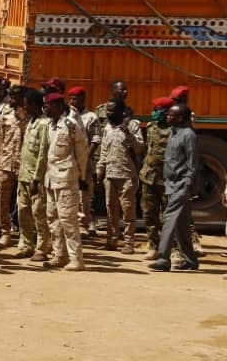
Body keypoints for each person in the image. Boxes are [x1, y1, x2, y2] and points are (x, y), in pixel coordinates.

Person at [149, 104, 201, 272]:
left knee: (169, 219)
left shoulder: (188, 135)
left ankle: (163, 258)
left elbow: (193, 163)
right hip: (171, 185)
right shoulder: (174, 131)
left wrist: (187, 184)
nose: (167, 117)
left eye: (171, 115)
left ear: (180, 118)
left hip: (181, 185)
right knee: (182, 224)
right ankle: (190, 260)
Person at [43, 92, 89, 271]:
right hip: (51, 178)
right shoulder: (50, 125)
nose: (45, 108)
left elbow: (82, 152)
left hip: (66, 178)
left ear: (57, 106)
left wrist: (82, 176)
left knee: (68, 219)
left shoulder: (70, 125)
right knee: (53, 218)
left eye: (48, 105)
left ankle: (76, 259)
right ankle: (60, 255)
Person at [95, 97, 145, 253]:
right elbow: (104, 152)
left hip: (126, 175)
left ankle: (129, 243)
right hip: (110, 175)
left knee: (128, 211)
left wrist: (127, 133)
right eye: (107, 110)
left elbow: (139, 148)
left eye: (112, 110)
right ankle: (112, 240)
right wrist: (100, 171)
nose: (108, 113)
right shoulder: (107, 128)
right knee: (111, 210)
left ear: (121, 112)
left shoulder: (132, 126)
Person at [16, 89, 51, 260]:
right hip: (24, 175)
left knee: (39, 213)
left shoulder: (44, 124)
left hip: (36, 178)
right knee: (23, 212)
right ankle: (26, 245)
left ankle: (42, 248)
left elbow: (43, 153)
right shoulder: (31, 122)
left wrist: (37, 179)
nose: (24, 108)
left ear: (34, 104)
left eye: (26, 105)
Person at [139, 97, 175, 259]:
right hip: (149, 177)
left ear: (167, 111)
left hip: (167, 179)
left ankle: (171, 248)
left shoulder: (176, 130)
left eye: (157, 110)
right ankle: (153, 245)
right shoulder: (151, 127)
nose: (154, 113)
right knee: (149, 213)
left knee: (168, 215)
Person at [0, 86, 24, 248]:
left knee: (24, 202)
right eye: (11, 97)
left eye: (16, 97)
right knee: (2, 200)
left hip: (24, 165)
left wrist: (22, 118)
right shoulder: (5, 117)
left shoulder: (32, 118)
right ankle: (5, 232)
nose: (12, 100)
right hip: (5, 164)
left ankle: (25, 234)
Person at [68, 86, 101, 235]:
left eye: (75, 99)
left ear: (82, 100)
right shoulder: (67, 116)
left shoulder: (91, 117)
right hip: (69, 161)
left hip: (85, 163)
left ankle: (84, 225)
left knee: (84, 196)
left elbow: (96, 139)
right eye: (71, 99)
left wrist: (85, 157)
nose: (72, 102)